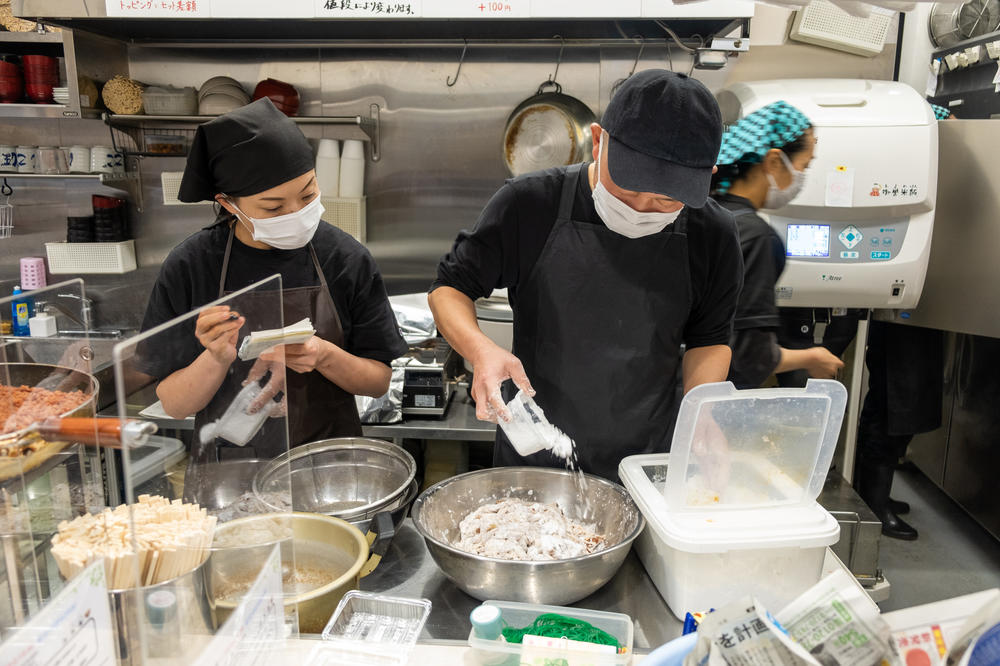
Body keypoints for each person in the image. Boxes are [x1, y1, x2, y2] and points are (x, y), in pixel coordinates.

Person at [429, 69, 744, 480]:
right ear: (599, 141)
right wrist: (481, 351)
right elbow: (449, 288)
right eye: (628, 189)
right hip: (535, 454)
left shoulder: (713, 233)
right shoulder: (529, 204)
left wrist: (700, 409)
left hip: (646, 465)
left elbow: (710, 339)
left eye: (667, 200)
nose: (642, 208)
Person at [138, 98, 406, 495]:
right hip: (229, 477)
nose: (296, 212)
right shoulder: (192, 266)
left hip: (329, 472)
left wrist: (324, 355)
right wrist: (214, 358)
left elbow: (377, 381)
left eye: (307, 193)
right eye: (273, 206)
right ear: (228, 204)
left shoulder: (344, 258)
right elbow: (175, 405)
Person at [852, 102, 952, 541]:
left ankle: (879, 494)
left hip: (926, 307)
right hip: (901, 314)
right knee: (891, 406)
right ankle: (873, 504)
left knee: (901, 406)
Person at [711, 100, 844, 389]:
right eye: (803, 166)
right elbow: (751, 357)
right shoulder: (756, 237)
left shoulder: (705, 213)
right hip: (712, 395)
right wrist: (812, 357)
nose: (802, 178)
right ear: (773, 161)